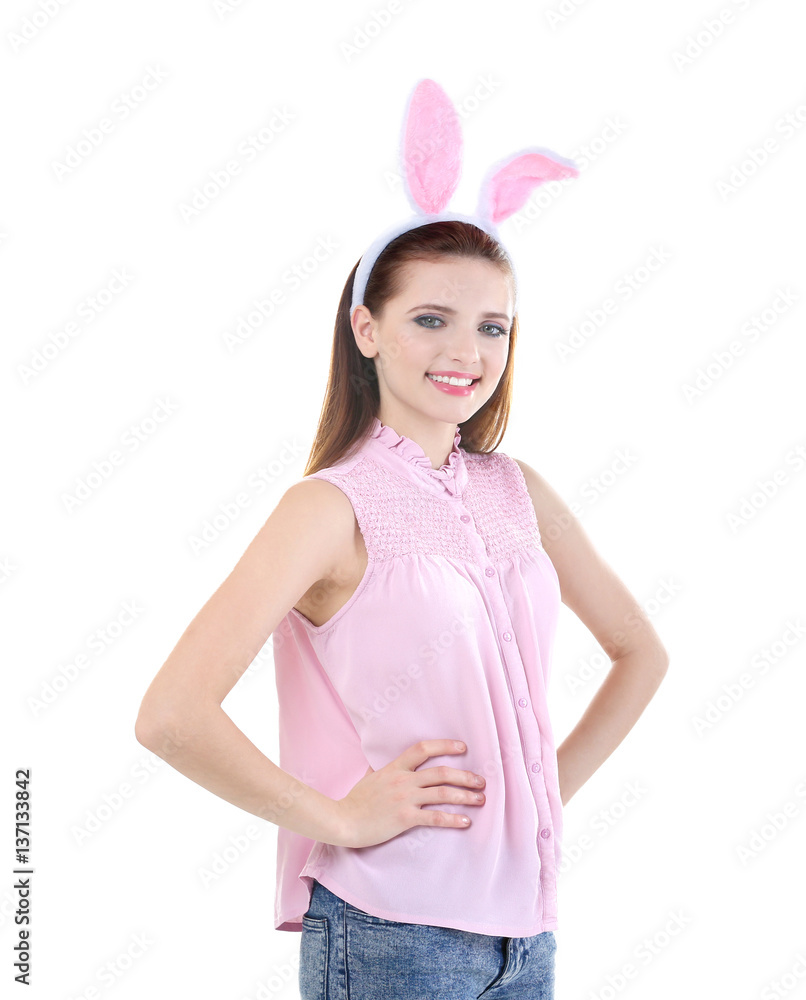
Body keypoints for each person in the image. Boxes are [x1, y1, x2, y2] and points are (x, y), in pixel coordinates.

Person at [136, 82, 669, 1000]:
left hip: (528, 938)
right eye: (431, 319)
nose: (467, 350)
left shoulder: (518, 490)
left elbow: (640, 654)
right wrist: (338, 819)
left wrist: (540, 794)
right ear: (366, 328)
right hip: (392, 936)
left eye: (492, 325)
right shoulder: (329, 507)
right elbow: (171, 715)